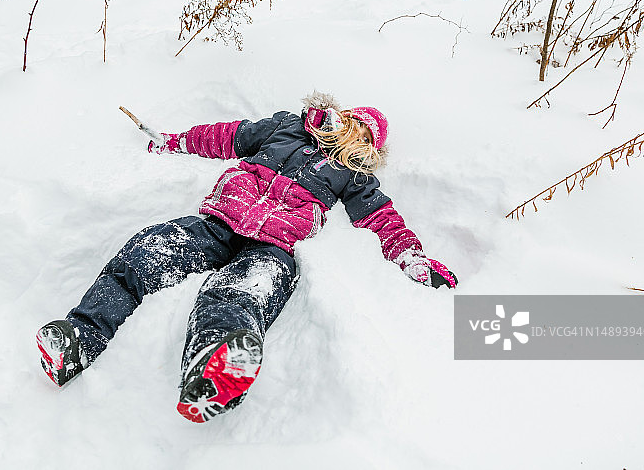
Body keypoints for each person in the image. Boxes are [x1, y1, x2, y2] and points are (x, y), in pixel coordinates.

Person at [36, 91, 457, 423]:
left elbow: (383, 219)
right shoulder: (288, 128)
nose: (355, 138)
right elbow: (227, 136)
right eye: (354, 126)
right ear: (341, 118)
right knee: (146, 251)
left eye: (366, 140)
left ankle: (215, 373)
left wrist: (412, 258)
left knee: (237, 295)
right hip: (219, 224)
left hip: (275, 248)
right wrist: (176, 142)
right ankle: (79, 339)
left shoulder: (355, 177)